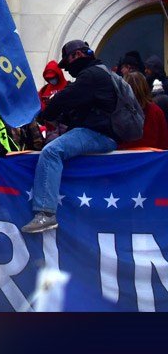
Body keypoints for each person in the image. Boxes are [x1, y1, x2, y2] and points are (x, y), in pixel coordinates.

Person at [23, 40, 121, 234]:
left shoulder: (91, 75)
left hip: (99, 134)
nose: (67, 71)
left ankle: (45, 213)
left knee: (51, 152)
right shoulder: (101, 73)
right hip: (102, 132)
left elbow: (64, 98)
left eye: (67, 64)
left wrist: (44, 114)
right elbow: (77, 106)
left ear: (76, 55)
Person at [118, 71, 168, 151]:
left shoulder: (118, 112)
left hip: (126, 160)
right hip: (151, 160)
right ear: (145, 88)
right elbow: (164, 144)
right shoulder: (156, 111)